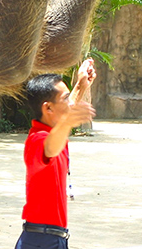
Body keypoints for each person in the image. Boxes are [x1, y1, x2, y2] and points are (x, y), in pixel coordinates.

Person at [16, 58, 97, 249]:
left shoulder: (54, 129)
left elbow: (60, 121)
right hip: (41, 241)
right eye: (65, 98)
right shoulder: (37, 140)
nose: (71, 103)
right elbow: (50, 148)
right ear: (48, 108)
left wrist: (81, 85)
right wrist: (68, 122)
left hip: (51, 238)